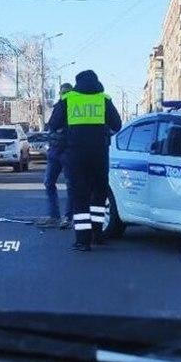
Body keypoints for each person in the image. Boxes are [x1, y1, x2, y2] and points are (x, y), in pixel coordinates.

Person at [47, 70, 122, 251]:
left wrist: (68, 132)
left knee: (79, 196)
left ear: (77, 82)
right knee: (99, 193)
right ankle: (98, 234)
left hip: (75, 155)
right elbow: (117, 125)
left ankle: (83, 241)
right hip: (99, 154)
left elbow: (53, 124)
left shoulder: (68, 99)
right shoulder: (104, 99)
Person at [38, 83, 74, 229]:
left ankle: (65, 217)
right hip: (60, 150)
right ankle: (60, 216)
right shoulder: (64, 105)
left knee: (65, 184)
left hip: (63, 149)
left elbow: (52, 124)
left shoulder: (65, 104)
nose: (64, 94)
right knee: (54, 182)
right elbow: (52, 125)